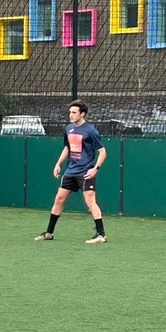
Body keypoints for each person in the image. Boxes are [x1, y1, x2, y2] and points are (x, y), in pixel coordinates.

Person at [35, 99, 107, 243]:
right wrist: (58, 164)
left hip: (85, 172)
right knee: (59, 199)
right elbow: (67, 148)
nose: (71, 115)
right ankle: (49, 233)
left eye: (74, 112)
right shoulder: (69, 129)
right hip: (70, 171)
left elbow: (103, 152)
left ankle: (101, 235)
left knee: (90, 201)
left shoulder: (91, 131)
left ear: (83, 114)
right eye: (70, 112)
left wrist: (95, 169)